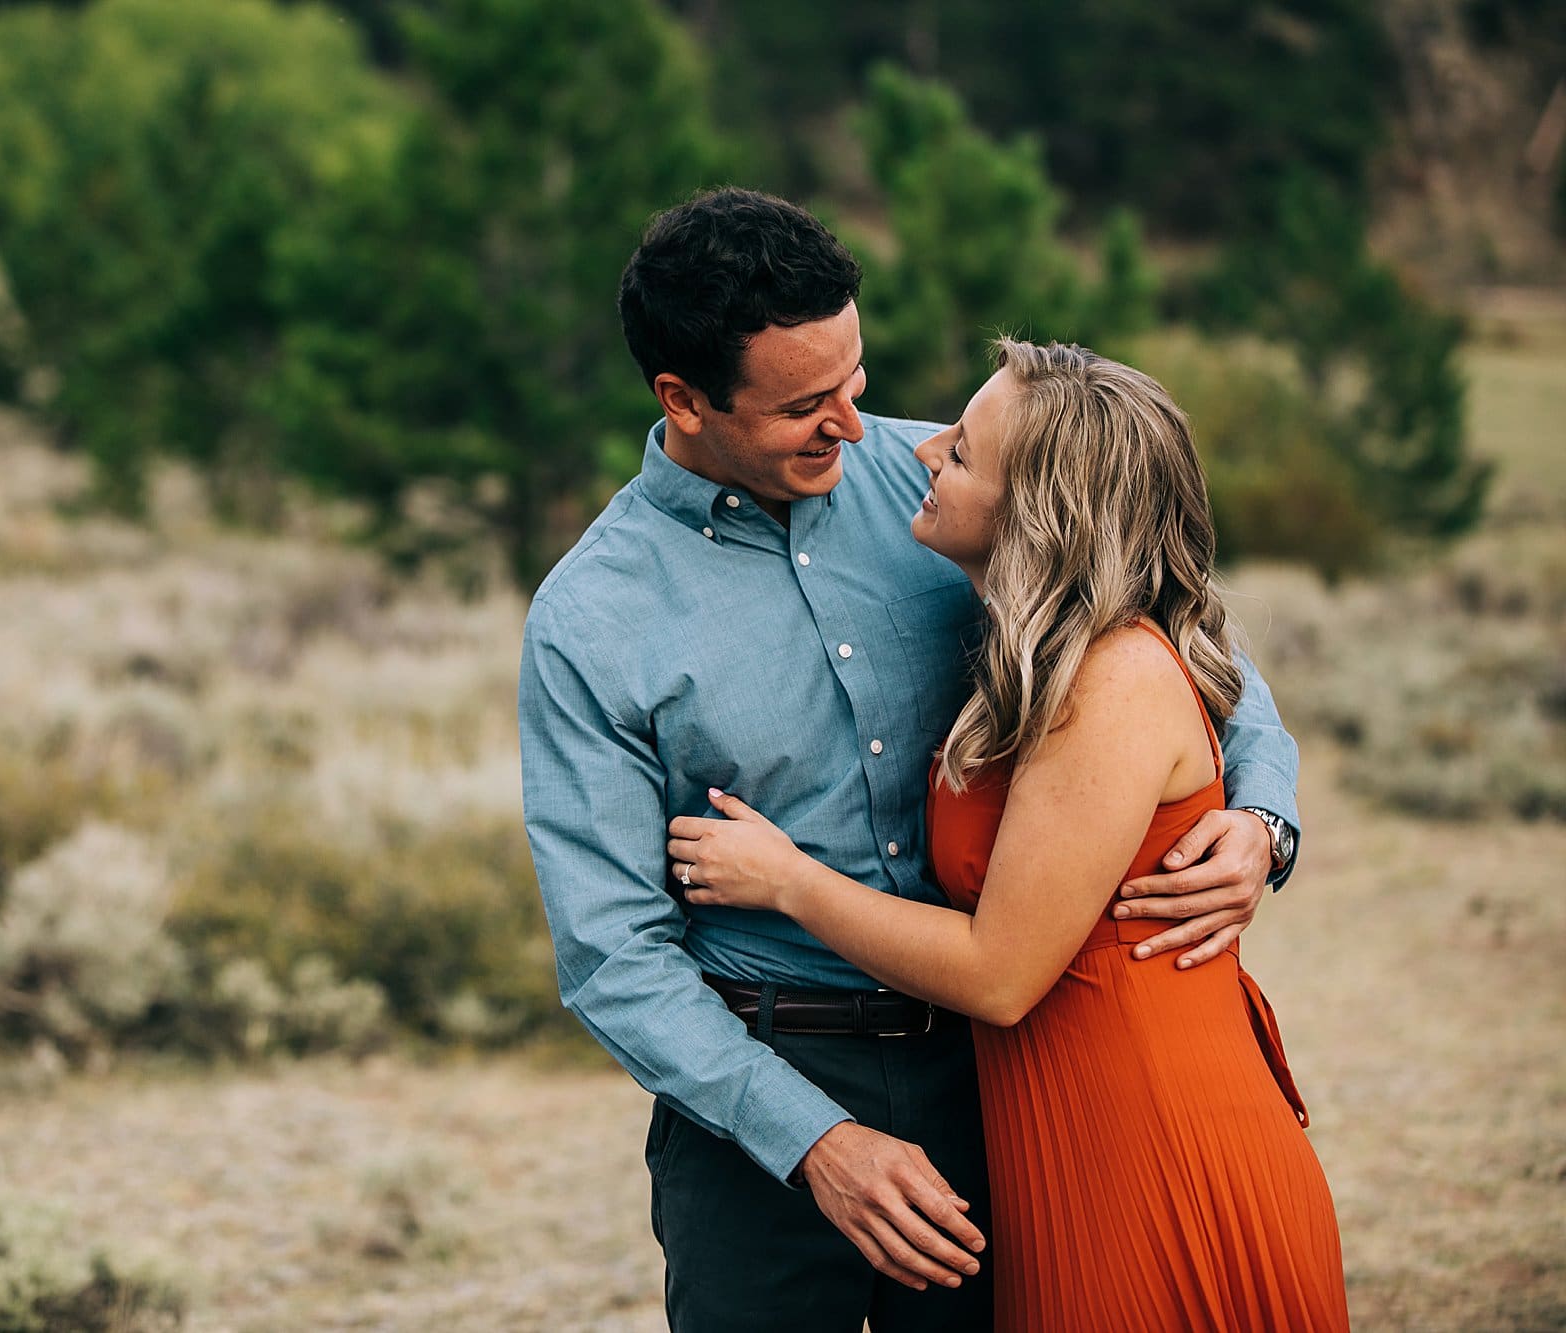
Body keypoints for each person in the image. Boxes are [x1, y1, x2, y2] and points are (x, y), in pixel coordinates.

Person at [518, 188, 1303, 1332]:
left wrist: (1260, 817)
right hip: (758, 1099)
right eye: (802, 404)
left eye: (854, 377)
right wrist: (814, 1143)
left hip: (1005, 1081)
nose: (852, 422)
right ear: (682, 400)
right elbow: (608, 955)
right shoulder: (590, 618)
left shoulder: (952, 485)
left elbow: (1178, 643)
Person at [667, 339, 1348, 1331]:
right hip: (1062, 1130)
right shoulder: (1052, 651)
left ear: (1040, 515)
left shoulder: (1109, 679)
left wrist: (786, 881)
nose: (920, 447)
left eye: (963, 448)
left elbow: (997, 971)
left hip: (1148, 1136)